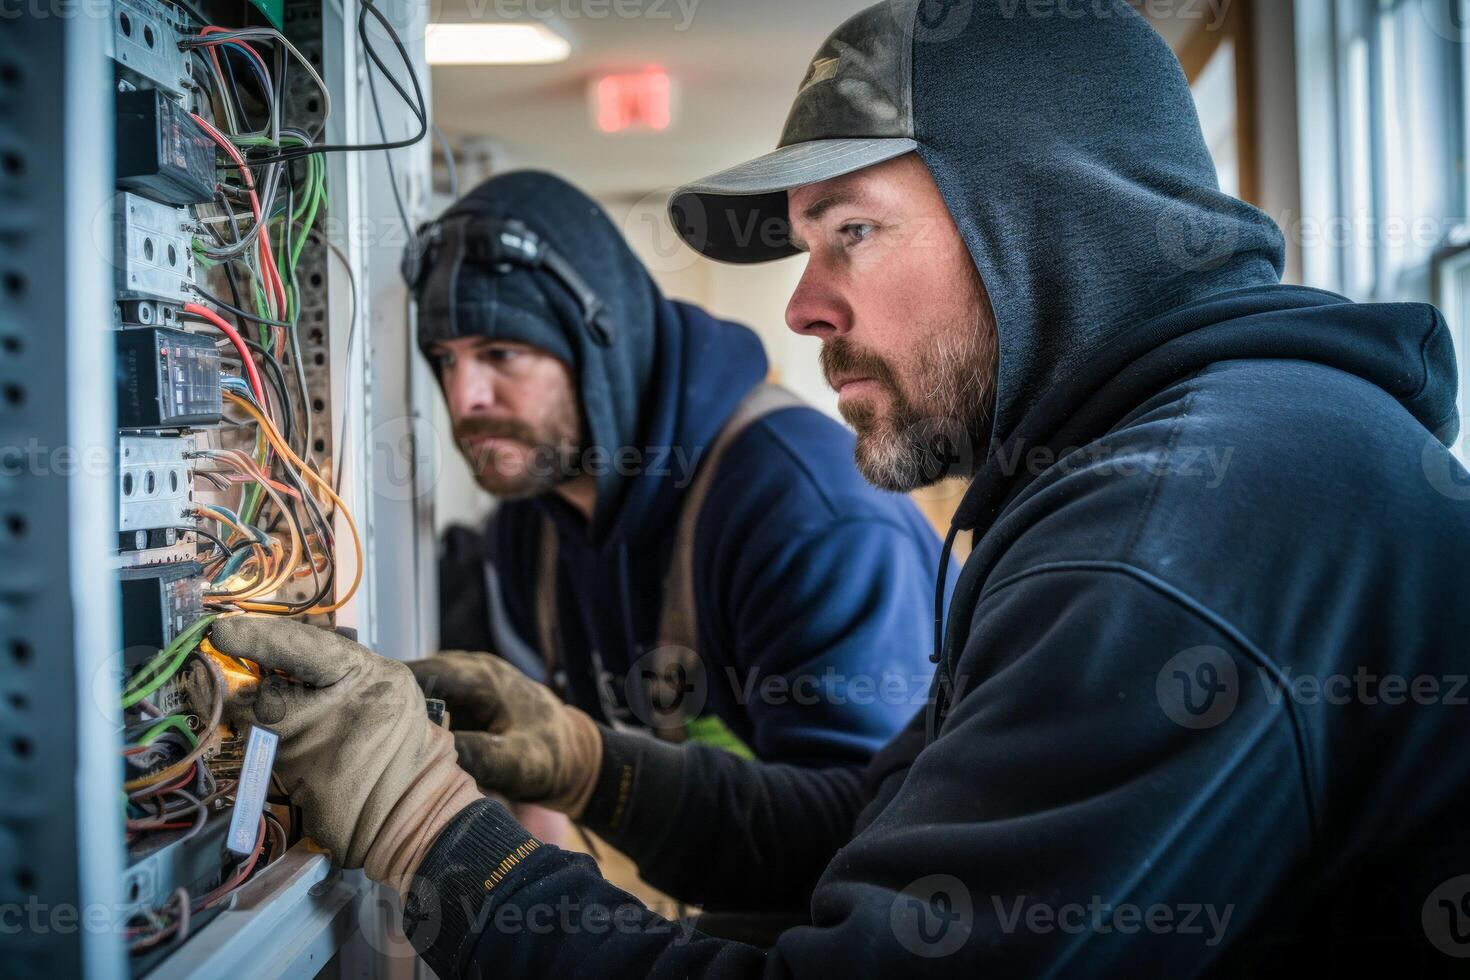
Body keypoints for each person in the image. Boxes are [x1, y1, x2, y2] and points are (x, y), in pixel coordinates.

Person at [212, 0, 1470, 975]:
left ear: (1037, 211)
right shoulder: (1153, 474)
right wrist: (596, 765)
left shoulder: (1168, 534)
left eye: (849, 231)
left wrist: (428, 828)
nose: (805, 306)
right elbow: (868, 823)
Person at [394, 170, 947, 925]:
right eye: (446, 359)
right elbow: (536, 784)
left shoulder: (807, 513)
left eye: (499, 353)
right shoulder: (532, 523)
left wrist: (599, 779)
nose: (466, 400)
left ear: (596, 344)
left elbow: (865, 843)